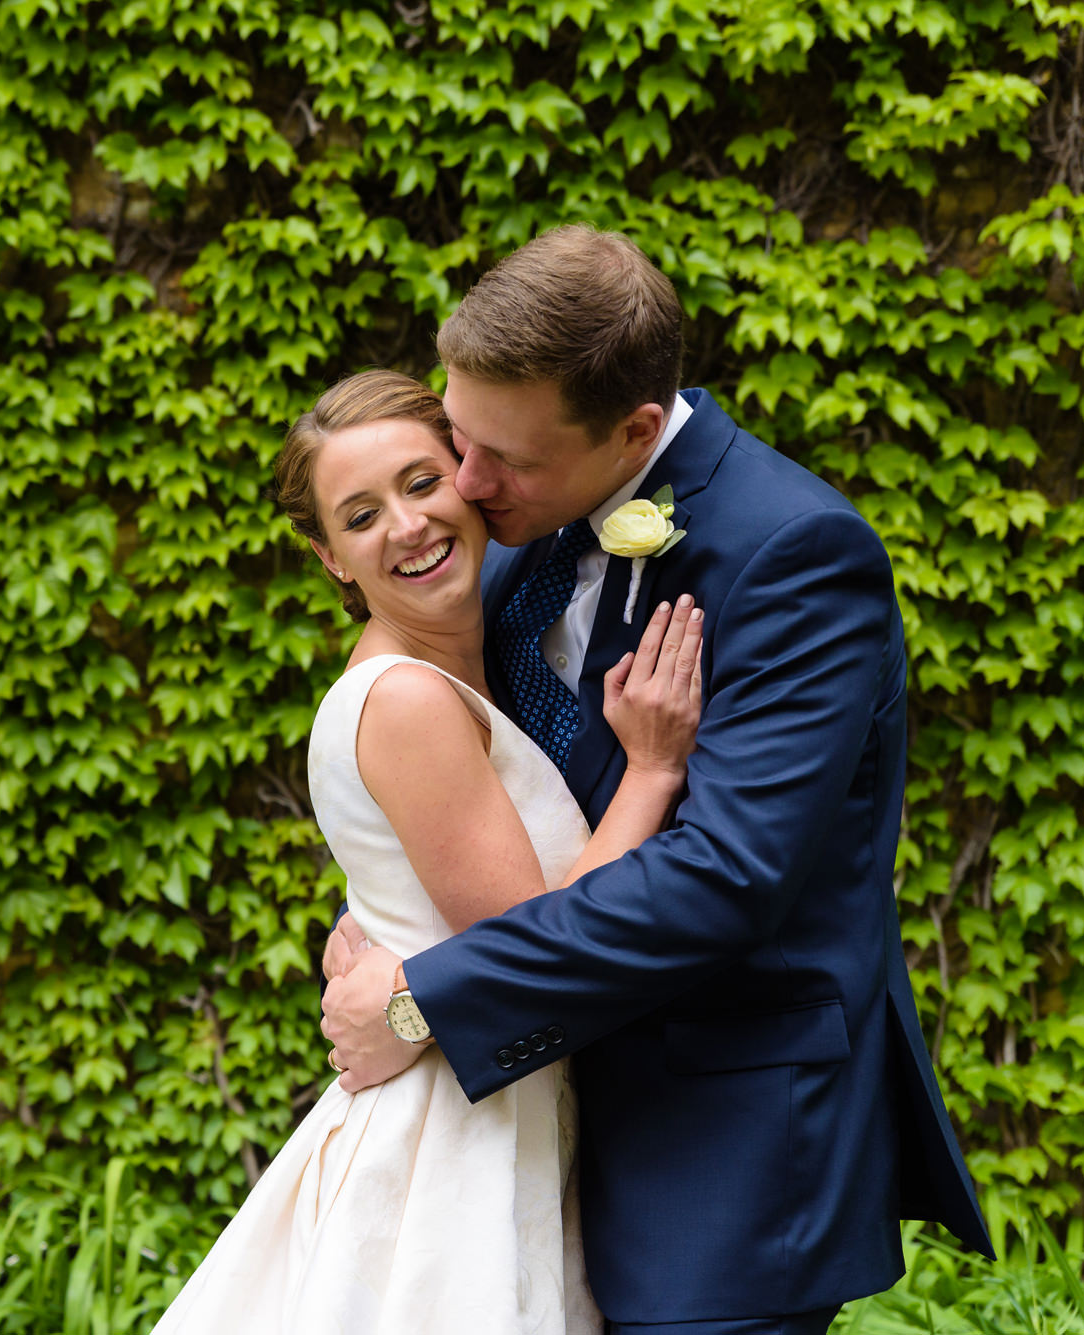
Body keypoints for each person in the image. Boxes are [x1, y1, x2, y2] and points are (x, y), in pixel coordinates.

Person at [319, 225, 993, 1335]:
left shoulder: (795, 557)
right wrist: (379, 915)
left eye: (505, 461)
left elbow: (722, 880)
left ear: (634, 431)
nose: (468, 488)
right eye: (457, 437)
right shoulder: (520, 516)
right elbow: (453, 763)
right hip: (525, 1129)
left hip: (716, 1144)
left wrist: (422, 998)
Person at [152, 369, 707, 1334]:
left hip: (501, 1103)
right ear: (330, 557)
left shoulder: (476, 646)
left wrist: (385, 952)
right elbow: (544, 943)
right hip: (454, 1142)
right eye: (360, 515)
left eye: (420, 482)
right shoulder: (405, 697)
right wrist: (654, 772)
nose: (406, 526)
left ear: (469, 473)